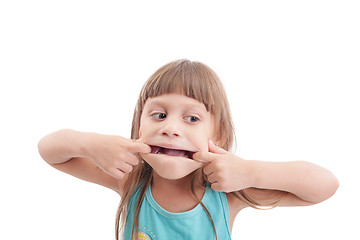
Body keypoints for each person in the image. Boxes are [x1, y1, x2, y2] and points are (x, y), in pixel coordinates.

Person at [38, 59, 339, 240]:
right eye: (158, 115)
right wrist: (91, 143)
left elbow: (324, 186)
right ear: (138, 126)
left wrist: (249, 171)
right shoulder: (129, 181)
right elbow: (50, 151)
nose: (171, 128)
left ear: (217, 135)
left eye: (191, 118)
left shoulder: (228, 195)